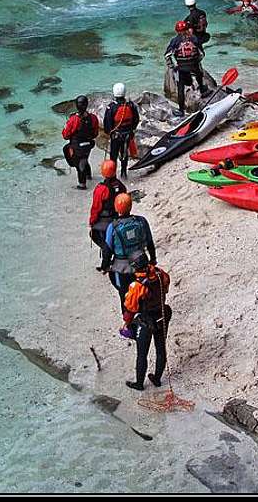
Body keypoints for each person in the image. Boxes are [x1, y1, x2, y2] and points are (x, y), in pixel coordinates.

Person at [122, 263, 172, 391]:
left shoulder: (137, 286)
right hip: (162, 315)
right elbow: (166, 288)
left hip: (146, 320)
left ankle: (139, 383)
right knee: (161, 348)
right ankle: (157, 379)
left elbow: (130, 308)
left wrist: (126, 324)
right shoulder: (160, 273)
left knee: (142, 354)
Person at [105, 193, 157, 314]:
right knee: (143, 292)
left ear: (116, 208)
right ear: (130, 206)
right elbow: (150, 242)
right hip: (141, 264)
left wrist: (105, 266)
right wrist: (153, 259)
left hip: (121, 268)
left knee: (124, 295)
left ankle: (128, 324)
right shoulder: (141, 221)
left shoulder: (112, 227)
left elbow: (107, 250)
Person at [90, 160, 127, 272]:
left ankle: (105, 263)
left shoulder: (101, 189)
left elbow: (96, 208)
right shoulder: (120, 186)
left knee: (96, 236)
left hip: (104, 220)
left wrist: (92, 221)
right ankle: (109, 256)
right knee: (109, 239)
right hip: (117, 217)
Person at [165, 20, 209, 116]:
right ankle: (202, 90)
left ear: (177, 31)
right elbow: (202, 53)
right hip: (194, 65)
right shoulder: (194, 38)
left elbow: (167, 56)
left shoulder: (175, 41)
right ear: (186, 29)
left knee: (180, 87)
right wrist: (196, 61)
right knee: (199, 74)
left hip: (182, 68)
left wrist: (172, 67)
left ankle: (181, 110)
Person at [62, 95, 99, 189]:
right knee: (84, 159)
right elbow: (95, 133)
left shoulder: (73, 120)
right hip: (88, 145)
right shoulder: (93, 118)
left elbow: (65, 135)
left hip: (78, 146)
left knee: (79, 165)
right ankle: (88, 176)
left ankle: (82, 184)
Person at [103, 83, 140, 179]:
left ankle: (112, 174)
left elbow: (107, 123)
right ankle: (124, 173)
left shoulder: (111, 107)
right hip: (127, 135)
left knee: (113, 155)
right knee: (124, 153)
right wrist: (132, 130)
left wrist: (109, 133)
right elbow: (136, 119)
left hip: (116, 135)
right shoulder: (131, 105)